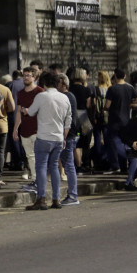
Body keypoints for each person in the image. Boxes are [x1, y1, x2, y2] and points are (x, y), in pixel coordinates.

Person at [23, 71, 71, 210]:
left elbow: (31, 112)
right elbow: (68, 120)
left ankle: (41, 199)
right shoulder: (64, 98)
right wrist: (64, 137)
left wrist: (24, 110)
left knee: (41, 167)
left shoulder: (41, 96)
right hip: (58, 137)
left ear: (44, 83)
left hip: (43, 137)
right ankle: (56, 199)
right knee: (55, 167)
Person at [104, 68, 137, 174]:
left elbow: (107, 106)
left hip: (114, 120)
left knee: (114, 143)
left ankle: (116, 165)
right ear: (125, 76)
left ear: (115, 76)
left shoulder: (112, 89)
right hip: (126, 121)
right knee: (125, 142)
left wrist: (105, 109)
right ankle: (125, 166)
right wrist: (129, 105)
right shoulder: (130, 88)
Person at [13, 67, 43, 191]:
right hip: (24, 130)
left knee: (38, 157)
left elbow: (43, 110)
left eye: (28, 75)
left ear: (34, 77)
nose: (26, 78)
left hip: (37, 129)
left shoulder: (39, 91)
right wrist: (15, 129)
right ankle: (35, 181)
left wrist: (30, 111)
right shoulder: (20, 93)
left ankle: (39, 181)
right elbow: (18, 112)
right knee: (29, 156)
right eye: (24, 75)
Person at [57, 74, 80, 205]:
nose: (56, 86)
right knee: (68, 165)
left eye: (58, 83)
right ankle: (72, 195)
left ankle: (72, 195)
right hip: (68, 135)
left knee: (69, 166)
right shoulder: (70, 96)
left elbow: (66, 118)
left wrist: (64, 135)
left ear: (64, 84)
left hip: (67, 135)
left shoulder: (66, 97)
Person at [69, 68, 93, 172]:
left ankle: (77, 164)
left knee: (74, 141)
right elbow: (88, 105)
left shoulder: (69, 89)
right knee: (86, 141)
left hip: (72, 115)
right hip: (83, 115)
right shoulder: (86, 89)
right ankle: (86, 163)